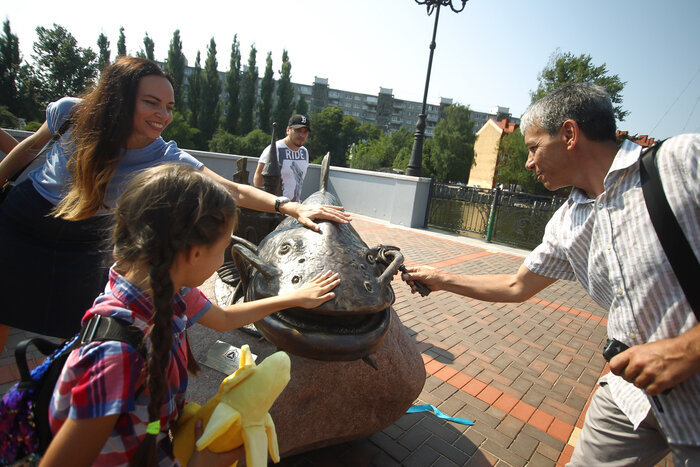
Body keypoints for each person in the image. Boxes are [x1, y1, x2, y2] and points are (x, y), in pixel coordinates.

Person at [402, 83, 700, 465]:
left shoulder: (680, 163)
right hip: (628, 397)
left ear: (570, 134)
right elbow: (516, 285)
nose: (528, 162)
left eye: (532, 147)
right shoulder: (567, 223)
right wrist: (439, 278)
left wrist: (685, 350)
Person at [0, 57, 349, 352]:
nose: (162, 115)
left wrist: (292, 207)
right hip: (24, 220)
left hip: (87, 241)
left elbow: (233, 190)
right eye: (151, 102)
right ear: (120, 98)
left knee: (79, 329)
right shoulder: (72, 112)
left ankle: (64, 396)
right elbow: (28, 148)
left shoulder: (163, 153)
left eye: (168, 107)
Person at [41, 163, 340, 466]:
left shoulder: (165, 286)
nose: (224, 257)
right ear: (195, 253)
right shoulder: (115, 358)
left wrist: (293, 298)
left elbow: (223, 319)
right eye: (224, 247)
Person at [253, 114, 311, 202]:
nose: (302, 135)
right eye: (298, 130)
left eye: (305, 132)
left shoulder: (304, 152)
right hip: (275, 208)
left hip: (295, 208)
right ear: (288, 130)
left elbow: (298, 183)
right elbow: (258, 181)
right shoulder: (274, 149)